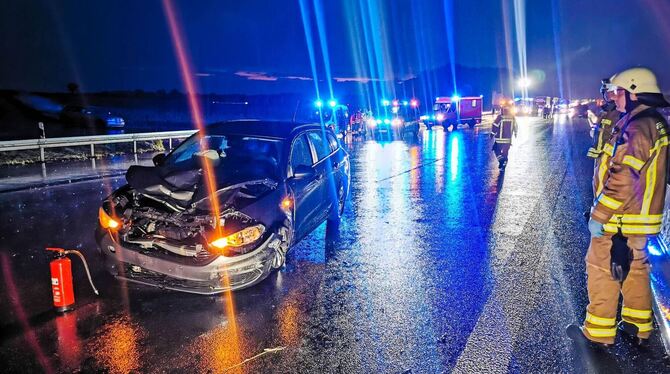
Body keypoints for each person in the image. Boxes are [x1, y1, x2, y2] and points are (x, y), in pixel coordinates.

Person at [567, 67, 670, 348]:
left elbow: (623, 176)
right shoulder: (653, 122)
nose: (614, 97)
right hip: (638, 219)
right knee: (635, 268)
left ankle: (597, 333)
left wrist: (599, 214)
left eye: (618, 92)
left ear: (633, 92)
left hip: (620, 219)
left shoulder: (637, 127)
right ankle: (638, 327)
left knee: (601, 269)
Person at [586, 79, 622, 163]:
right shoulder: (603, 111)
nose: (607, 95)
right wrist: (595, 131)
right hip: (600, 157)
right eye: (605, 92)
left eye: (610, 92)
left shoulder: (620, 112)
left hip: (612, 159)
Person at [491, 105, 518, 169]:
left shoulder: (500, 117)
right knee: (505, 152)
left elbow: (495, 125)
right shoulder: (512, 117)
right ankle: (504, 162)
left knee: (496, 150)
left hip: (499, 139)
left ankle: (501, 160)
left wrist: (492, 133)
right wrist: (515, 133)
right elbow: (515, 126)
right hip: (508, 139)